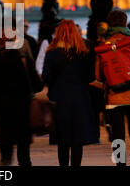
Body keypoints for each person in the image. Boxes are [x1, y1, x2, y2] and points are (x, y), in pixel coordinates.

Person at [94, 10, 130, 166]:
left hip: (113, 97)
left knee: (118, 137)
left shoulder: (103, 46)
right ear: (125, 23)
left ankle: (121, 165)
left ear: (110, 25)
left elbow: (98, 76)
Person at [42, 20, 98, 167]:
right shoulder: (84, 52)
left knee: (63, 139)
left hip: (59, 98)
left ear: (58, 33)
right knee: (77, 139)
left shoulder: (52, 53)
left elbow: (46, 77)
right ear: (76, 32)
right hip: (80, 97)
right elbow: (91, 77)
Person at [0, 33, 43, 166]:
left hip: (3, 112)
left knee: (5, 156)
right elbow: (38, 87)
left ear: (0, 44)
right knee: (24, 155)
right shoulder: (25, 61)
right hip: (23, 112)